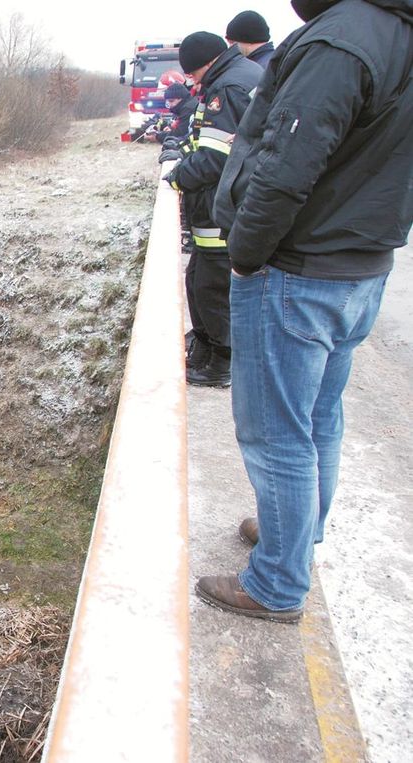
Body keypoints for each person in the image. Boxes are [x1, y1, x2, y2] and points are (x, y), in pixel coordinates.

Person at [197, 0, 413, 622]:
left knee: (275, 432)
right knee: (319, 414)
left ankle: (275, 584)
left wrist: (243, 252)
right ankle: (292, 533)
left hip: (296, 267)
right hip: (359, 263)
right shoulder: (396, 33)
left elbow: (287, 165)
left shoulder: (338, 44)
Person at [164, 32, 262, 386]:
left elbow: (216, 157)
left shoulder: (228, 89)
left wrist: (177, 177)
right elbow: (204, 140)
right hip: (229, 203)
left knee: (212, 286)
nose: (191, 81)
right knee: (199, 279)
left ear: (205, 64)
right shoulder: (238, 77)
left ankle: (221, 363)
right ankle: (207, 350)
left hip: (227, 208)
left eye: (191, 74)